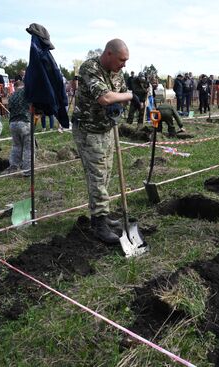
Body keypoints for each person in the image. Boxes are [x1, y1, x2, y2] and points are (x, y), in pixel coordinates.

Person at [71, 38, 138, 244]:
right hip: (88, 130)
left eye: (126, 61)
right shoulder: (90, 67)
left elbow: (118, 98)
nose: (124, 65)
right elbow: (105, 98)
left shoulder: (117, 73)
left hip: (107, 128)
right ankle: (99, 224)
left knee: (106, 173)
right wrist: (129, 95)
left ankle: (101, 216)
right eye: (121, 60)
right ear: (108, 54)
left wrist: (121, 102)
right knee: (98, 176)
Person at [7, 81, 32, 175]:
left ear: (15, 87)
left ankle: (13, 166)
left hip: (12, 123)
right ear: (23, 85)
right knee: (28, 148)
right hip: (24, 122)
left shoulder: (11, 96)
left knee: (16, 146)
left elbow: (9, 108)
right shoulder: (26, 92)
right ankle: (27, 170)